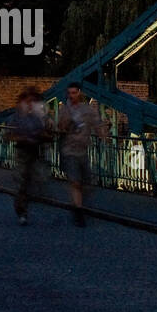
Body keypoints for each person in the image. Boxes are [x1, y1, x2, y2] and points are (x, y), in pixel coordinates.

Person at [57, 82, 107, 226]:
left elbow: (97, 124)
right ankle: (79, 211)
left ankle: (77, 203)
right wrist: (64, 123)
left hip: (83, 151)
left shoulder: (88, 110)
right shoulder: (64, 110)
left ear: (80, 93)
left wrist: (102, 135)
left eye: (74, 93)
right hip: (69, 150)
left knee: (86, 183)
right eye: (69, 93)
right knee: (75, 182)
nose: (72, 96)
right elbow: (60, 128)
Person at [6, 87, 51, 225]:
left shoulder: (36, 118)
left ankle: (27, 202)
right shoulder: (14, 118)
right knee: (21, 184)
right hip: (22, 153)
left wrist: (47, 136)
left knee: (33, 181)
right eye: (29, 101)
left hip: (34, 153)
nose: (31, 104)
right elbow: (8, 136)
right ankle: (21, 211)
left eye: (33, 101)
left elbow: (43, 133)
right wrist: (22, 138)